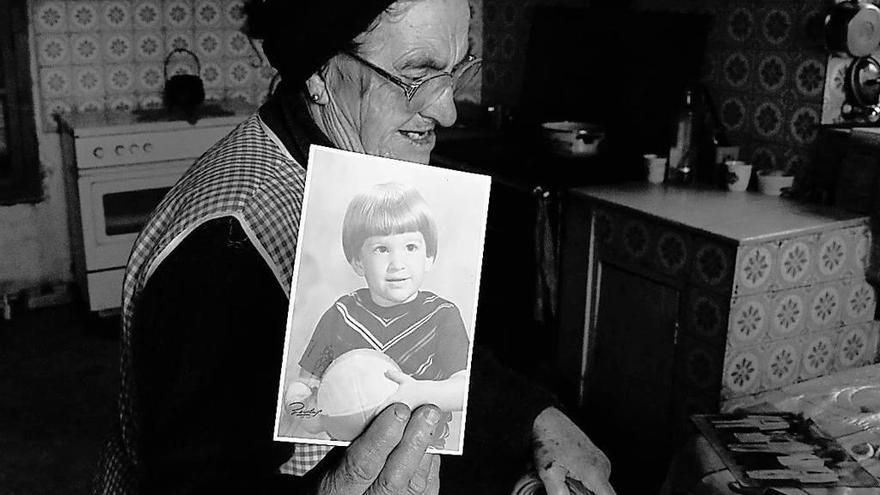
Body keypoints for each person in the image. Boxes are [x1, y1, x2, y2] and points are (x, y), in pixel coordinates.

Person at [93, 0, 617, 494]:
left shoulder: (360, 173)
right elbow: (194, 481)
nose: (448, 110)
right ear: (320, 72)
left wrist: (535, 415)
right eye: (416, 74)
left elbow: (422, 333)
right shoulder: (226, 248)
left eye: (455, 73)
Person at [284, 182, 469, 447]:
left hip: (420, 450)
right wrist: (310, 414)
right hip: (344, 452)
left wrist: (420, 393)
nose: (397, 264)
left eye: (411, 247)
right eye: (382, 249)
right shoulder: (341, 314)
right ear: (358, 261)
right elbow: (304, 385)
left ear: (429, 257)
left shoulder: (443, 315)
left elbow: (464, 389)